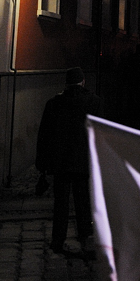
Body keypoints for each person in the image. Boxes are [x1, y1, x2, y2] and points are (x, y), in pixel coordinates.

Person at [35, 66, 101, 254]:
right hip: (83, 160)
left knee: (61, 203)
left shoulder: (53, 104)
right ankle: (86, 237)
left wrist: (42, 165)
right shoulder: (94, 103)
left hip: (61, 161)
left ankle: (58, 239)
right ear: (83, 82)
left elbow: (44, 136)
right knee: (83, 202)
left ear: (66, 83)